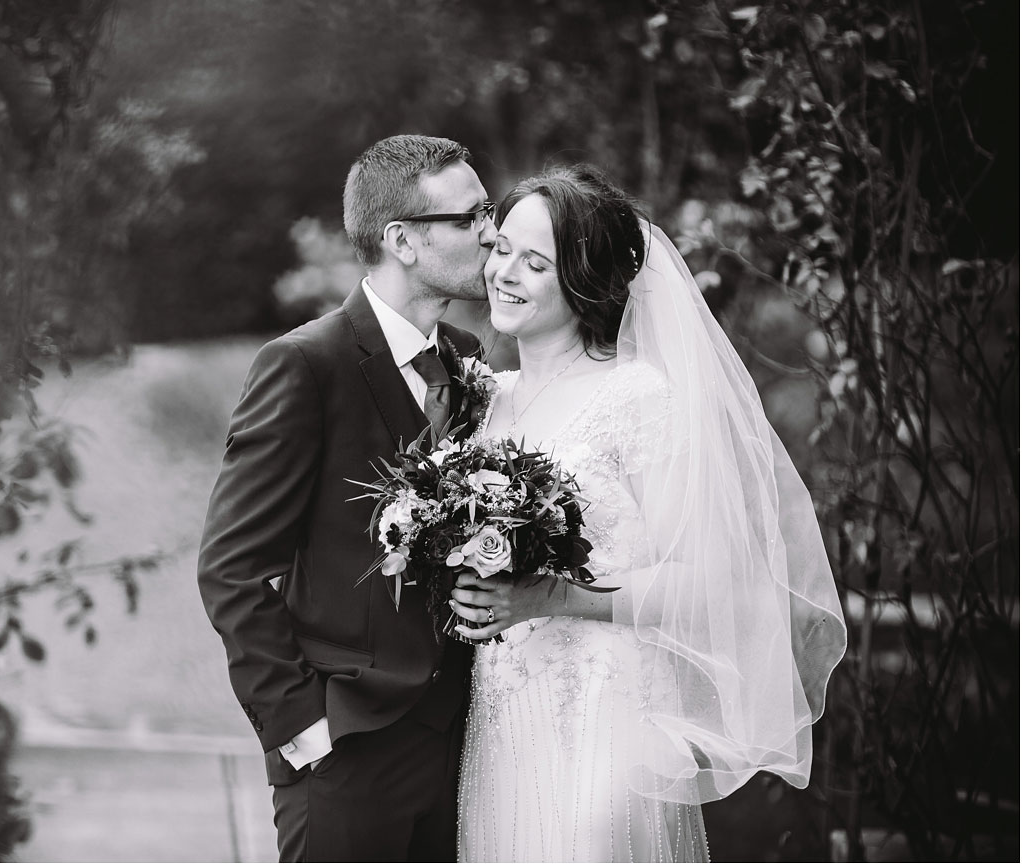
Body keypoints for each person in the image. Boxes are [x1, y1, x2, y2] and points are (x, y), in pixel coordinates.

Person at [445, 165, 846, 862]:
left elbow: (707, 581)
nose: (504, 272)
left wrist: (551, 595)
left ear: (584, 281)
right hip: (502, 720)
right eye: (501, 248)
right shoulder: (484, 400)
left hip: (606, 719)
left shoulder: (638, 398)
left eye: (535, 262)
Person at [197, 134, 500, 862]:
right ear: (401, 239)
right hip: (346, 755)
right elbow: (231, 568)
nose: (491, 232)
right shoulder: (307, 364)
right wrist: (303, 730)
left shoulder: (468, 363)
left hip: (461, 752)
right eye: (469, 217)